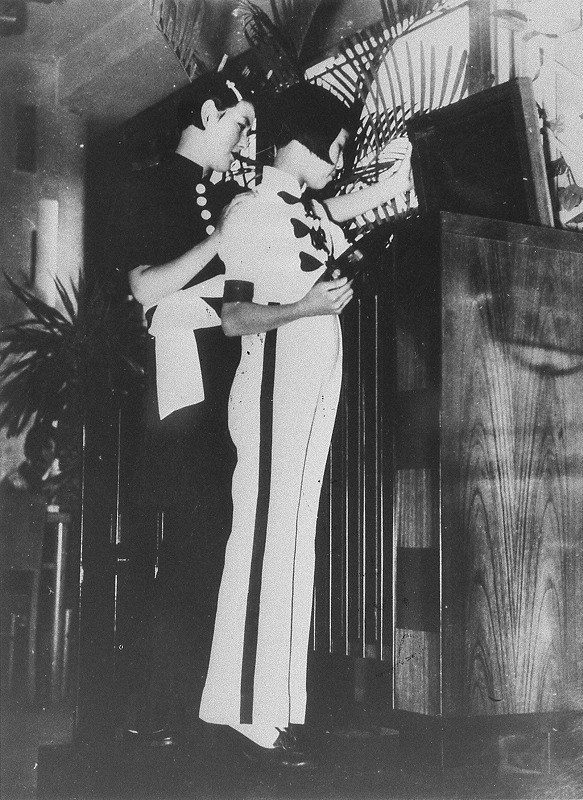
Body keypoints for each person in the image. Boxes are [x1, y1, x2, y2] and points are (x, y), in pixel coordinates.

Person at [198, 82, 413, 766]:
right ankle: (244, 714)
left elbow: (344, 207)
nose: (339, 159)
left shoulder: (310, 211)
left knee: (293, 543)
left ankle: (279, 709)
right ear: (297, 143)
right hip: (271, 389)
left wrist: (402, 174)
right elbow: (234, 319)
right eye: (334, 146)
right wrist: (306, 306)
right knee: (264, 541)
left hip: (314, 386)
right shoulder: (248, 212)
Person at [116, 72, 256, 744]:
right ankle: (158, 714)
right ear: (206, 112)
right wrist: (220, 241)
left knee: (214, 543)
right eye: (239, 124)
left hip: (225, 379)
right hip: (179, 386)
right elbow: (147, 288)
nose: (244, 140)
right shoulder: (149, 186)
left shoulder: (225, 195)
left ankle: (199, 710)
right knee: (185, 543)